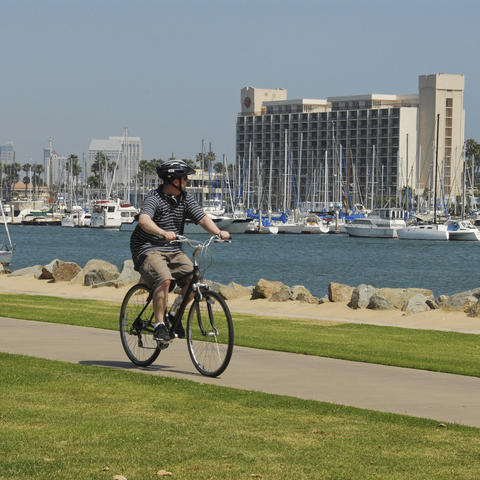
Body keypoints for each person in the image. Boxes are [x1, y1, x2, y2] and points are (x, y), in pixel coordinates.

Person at [130, 159, 230, 341]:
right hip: (148, 248)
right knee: (165, 280)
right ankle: (160, 325)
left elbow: (202, 218)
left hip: (173, 249)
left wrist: (218, 232)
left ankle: (173, 315)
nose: (188, 182)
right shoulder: (154, 198)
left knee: (195, 281)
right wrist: (162, 232)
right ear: (174, 180)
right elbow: (144, 220)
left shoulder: (185, 199)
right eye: (185, 178)